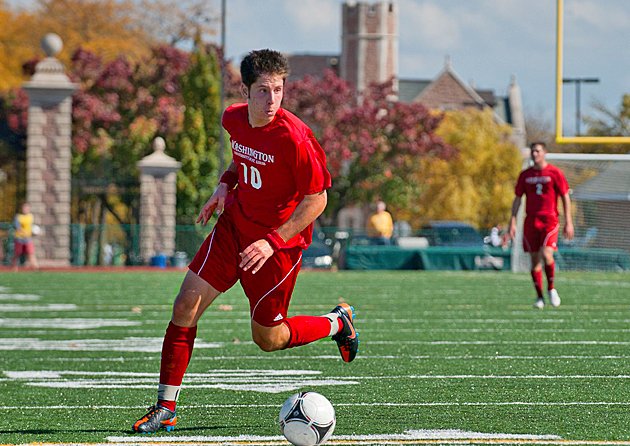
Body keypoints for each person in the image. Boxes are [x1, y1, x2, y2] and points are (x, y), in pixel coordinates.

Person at [132, 49, 359, 434]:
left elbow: (317, 199)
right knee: (185, 305)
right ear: (245, 91)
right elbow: (243, 158)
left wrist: (272, 241)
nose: (272, 100)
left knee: (268, 338)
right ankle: (165, 407)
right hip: (234, 229)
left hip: (277, 249)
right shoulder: (233, 119)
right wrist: (224, 185)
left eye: (278, 90)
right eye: (263, 91)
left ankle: (337, 323)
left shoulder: (295, 138)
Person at [508, 142, 574, 309]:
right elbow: (517, 199)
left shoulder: (554, 173)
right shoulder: (525, 175)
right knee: (534, 260)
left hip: (550, 220)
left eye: (538, 151)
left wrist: (569, 221)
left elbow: (565, 196)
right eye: (532, 151)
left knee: (547, 254)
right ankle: (539, 297)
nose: (534, 154)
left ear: (545, 152)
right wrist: (513, 221)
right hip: (531, 221)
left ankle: (551, 288)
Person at [11, 202, 39, 271]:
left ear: (29, 209)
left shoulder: (31, 216)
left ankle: (35, 268)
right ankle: (14, 268)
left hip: (28, 239)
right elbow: (18, 228)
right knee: (17, 254)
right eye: (24, 208)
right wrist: (24, 233)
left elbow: (32, 227)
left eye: (27, 208)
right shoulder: (18, 217)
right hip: (19, 238)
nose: (25, 209)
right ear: (22, 208)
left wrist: (34, 233)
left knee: (31, 253)